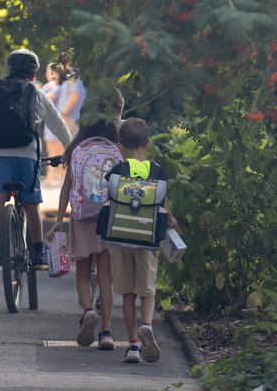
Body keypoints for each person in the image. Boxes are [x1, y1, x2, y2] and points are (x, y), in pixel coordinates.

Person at [0, 49, 72, 270]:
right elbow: (57, 124)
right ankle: (38, 253)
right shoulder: (37, 94)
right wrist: (70, 147)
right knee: (31, 202)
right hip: (27, 156)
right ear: (34, 74)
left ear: (9, 70)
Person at [46, 91, 125, 351]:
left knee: (82, 271)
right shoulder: (116, 149)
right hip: (107, 218)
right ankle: (106, 332)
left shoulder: (76, 149)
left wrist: (58, 220)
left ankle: (88, 309)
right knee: (105, 276)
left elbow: (66, 188)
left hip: (81, 218)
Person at [104, 118, 176, 364]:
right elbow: (162, 206)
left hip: (121, 238)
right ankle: (147, 325)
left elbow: (110, 202)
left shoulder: (117, 172)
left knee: (126, 294)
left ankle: (133, 344)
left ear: (120, 145)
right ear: (148, 143)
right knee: (147, 291)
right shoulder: (157, 171)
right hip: (147, 240)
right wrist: (171, 220)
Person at [42, 63, 67, 185]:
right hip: (48, 123)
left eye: (49, 71)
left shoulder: (61, 86)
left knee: (58, 152)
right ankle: (51, 178)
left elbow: (46, 98)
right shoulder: (48, 86)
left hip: (58, 122)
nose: (47, 73)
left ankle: (59, 178)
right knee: (50, 151)